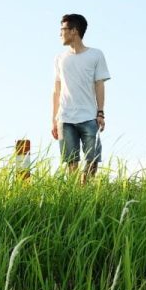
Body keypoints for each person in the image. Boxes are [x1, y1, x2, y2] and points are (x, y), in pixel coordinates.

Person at [51, 14, 111, 183]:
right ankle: (75, 193)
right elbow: (56, 90)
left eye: (63, 29)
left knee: (93, 159)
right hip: (65, 118)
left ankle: (84, 189)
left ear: (74, 31)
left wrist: (100, 113)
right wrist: (53, 119)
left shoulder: (96, 55)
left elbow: (99, 84)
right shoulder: (59, 59)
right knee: (71, 162)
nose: (60, 34)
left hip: (89, 117)